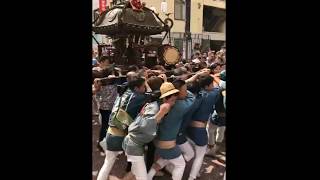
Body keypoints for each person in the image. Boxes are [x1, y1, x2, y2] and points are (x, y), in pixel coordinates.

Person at [123, 82, 179, 180]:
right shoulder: (155, 109)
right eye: (172, 100)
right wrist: (160, 114)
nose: (174, 103)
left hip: (134, 144)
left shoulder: (155, 104)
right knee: (142, 177)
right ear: (164, 99)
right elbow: (144, 127)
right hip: (133, 144)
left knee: (134, 172)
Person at [96, 77, 149, 180]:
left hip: (111, 133)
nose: (145, 89)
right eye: (144, 86)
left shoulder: (124, 93)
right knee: (137, 162)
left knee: (107, 164)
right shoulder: (137, 97)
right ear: (137, 88)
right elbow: (153, 96)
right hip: (122, 137)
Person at [186, 75, 220, 180]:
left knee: (190, 152)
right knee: (199, 155)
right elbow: (220, 86)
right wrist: (214, 76)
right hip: (199, 129)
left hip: (187, 128)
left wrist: (198, 75)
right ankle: (192, 176)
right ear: (207, 86)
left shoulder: (191, 94)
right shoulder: (211, 95)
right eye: (211, 84)